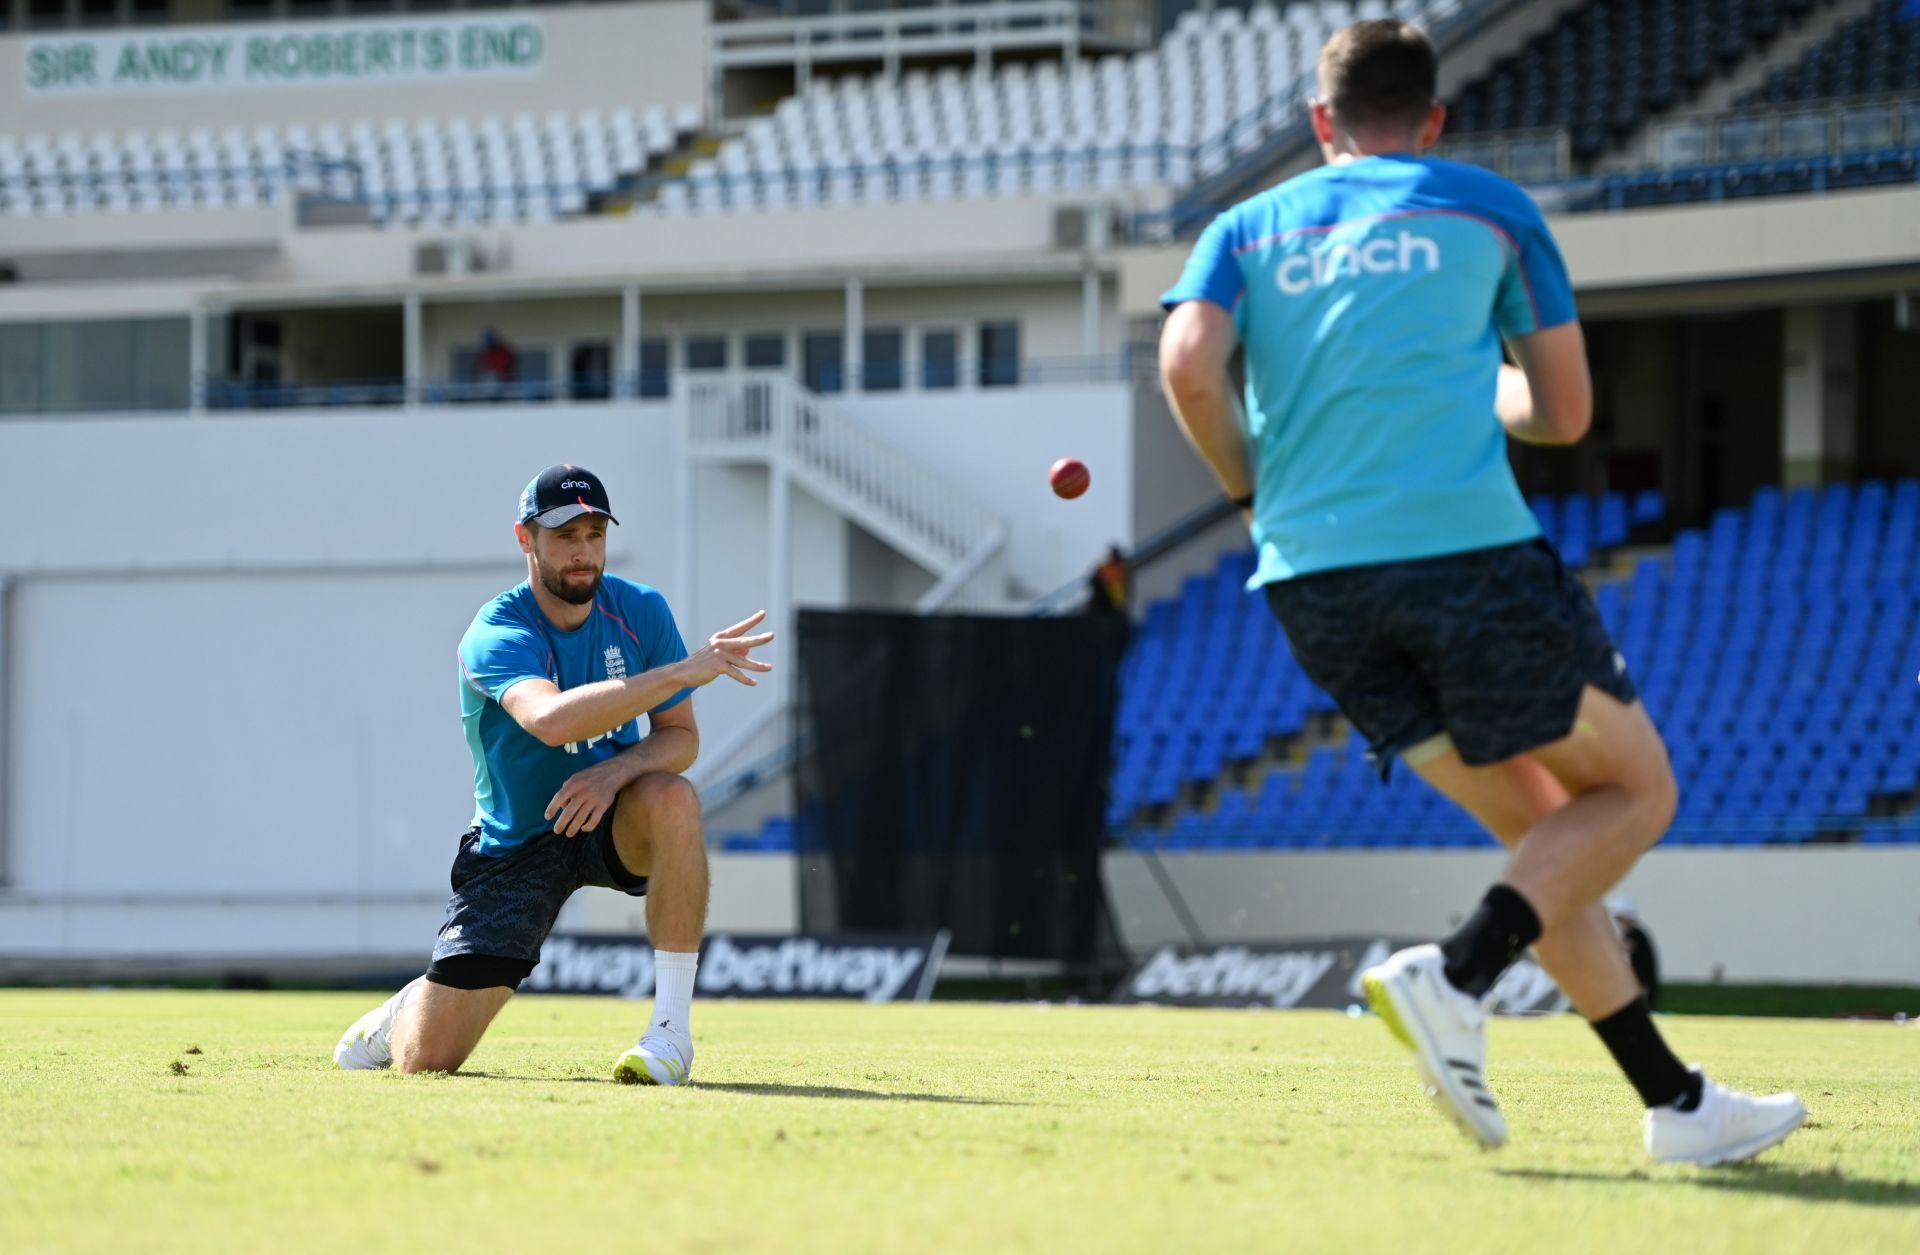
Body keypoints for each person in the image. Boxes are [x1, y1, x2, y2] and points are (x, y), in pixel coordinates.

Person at [1157, 19, 1803, 1165]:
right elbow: (1563, 416)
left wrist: (1249, 490)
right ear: (1435, 120)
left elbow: (1189, 365)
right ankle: (1456, 974)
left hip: (1311, 585)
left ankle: (1677, 1105)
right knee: (1637, 796)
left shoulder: (1242, 228)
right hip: (1461, 559)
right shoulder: (1490, 207)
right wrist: (1487, 383)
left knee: (1551, 845)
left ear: (1321, 124)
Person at [333, 463, 774, 1085]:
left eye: (595, 534)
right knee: (427, 1061)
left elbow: (680, 739)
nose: (583, 552)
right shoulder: (497, 629)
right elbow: (548, 720)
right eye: (565, 535)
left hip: (609, 813)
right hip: (519, 841)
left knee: (674, 799)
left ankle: (671, 1034)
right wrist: (680, 671)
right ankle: (408, 1008)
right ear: (525, 540)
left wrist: (616, 770)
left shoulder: (641, 610)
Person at [1610, 896, 1662, 1010]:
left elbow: (1625, 948)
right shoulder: (1634, 933)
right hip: (1640, 977)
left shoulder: (1635, 934)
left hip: (1643, 978)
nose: (1618, 921)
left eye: (1619, 918)